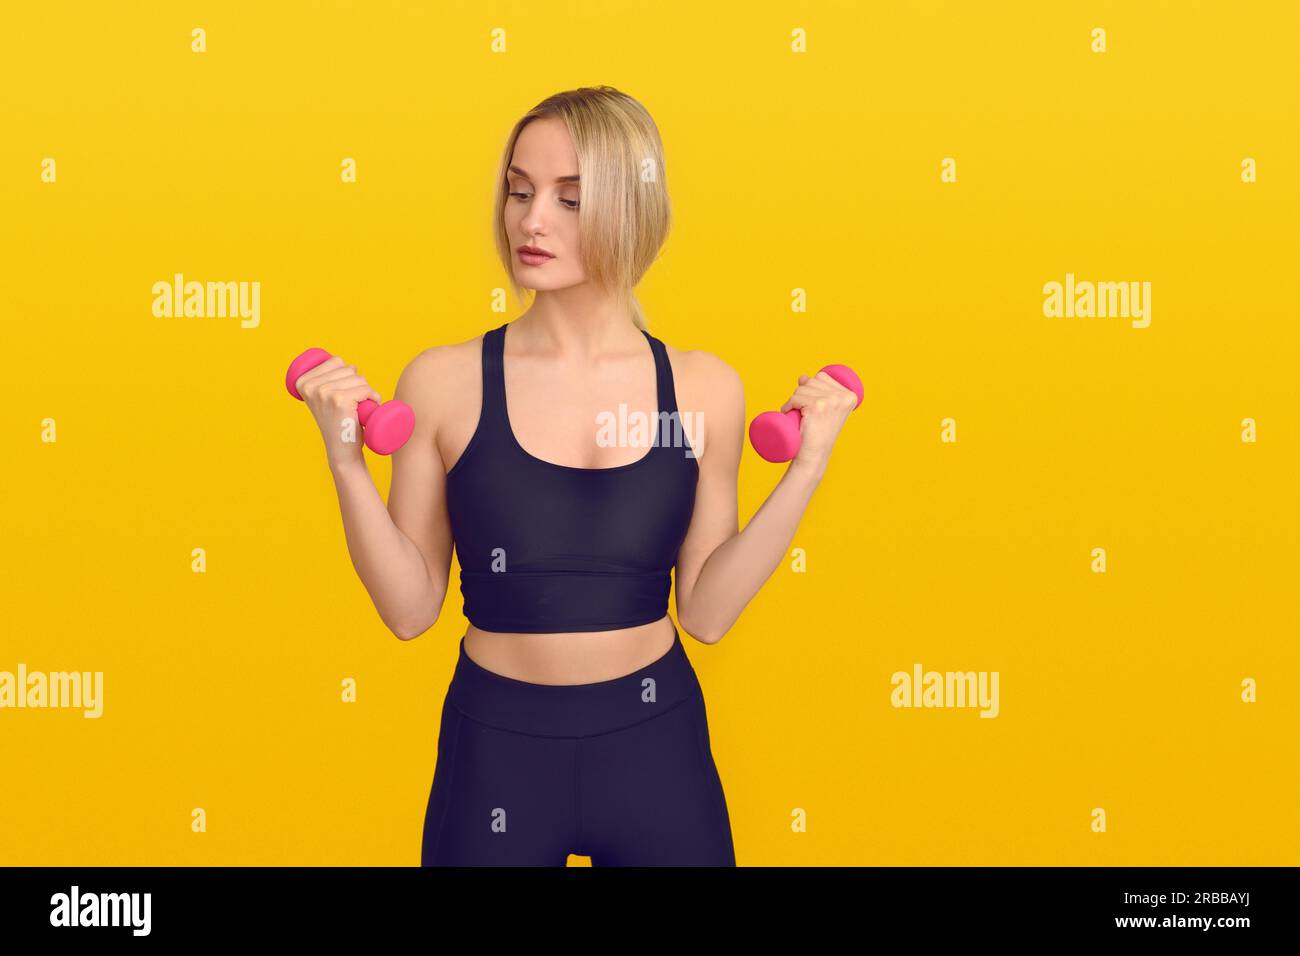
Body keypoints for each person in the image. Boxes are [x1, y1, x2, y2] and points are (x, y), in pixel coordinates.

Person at [293, 86, 857, 865]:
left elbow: (707, 612)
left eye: (570, 198)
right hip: (497, 749)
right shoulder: (444, 382)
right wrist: (345, 460)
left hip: (654, 743)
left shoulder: (702, 390)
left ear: (631, 207)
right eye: (519, 191)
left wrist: (808, 468)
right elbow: (409, 608)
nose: (531, 220)